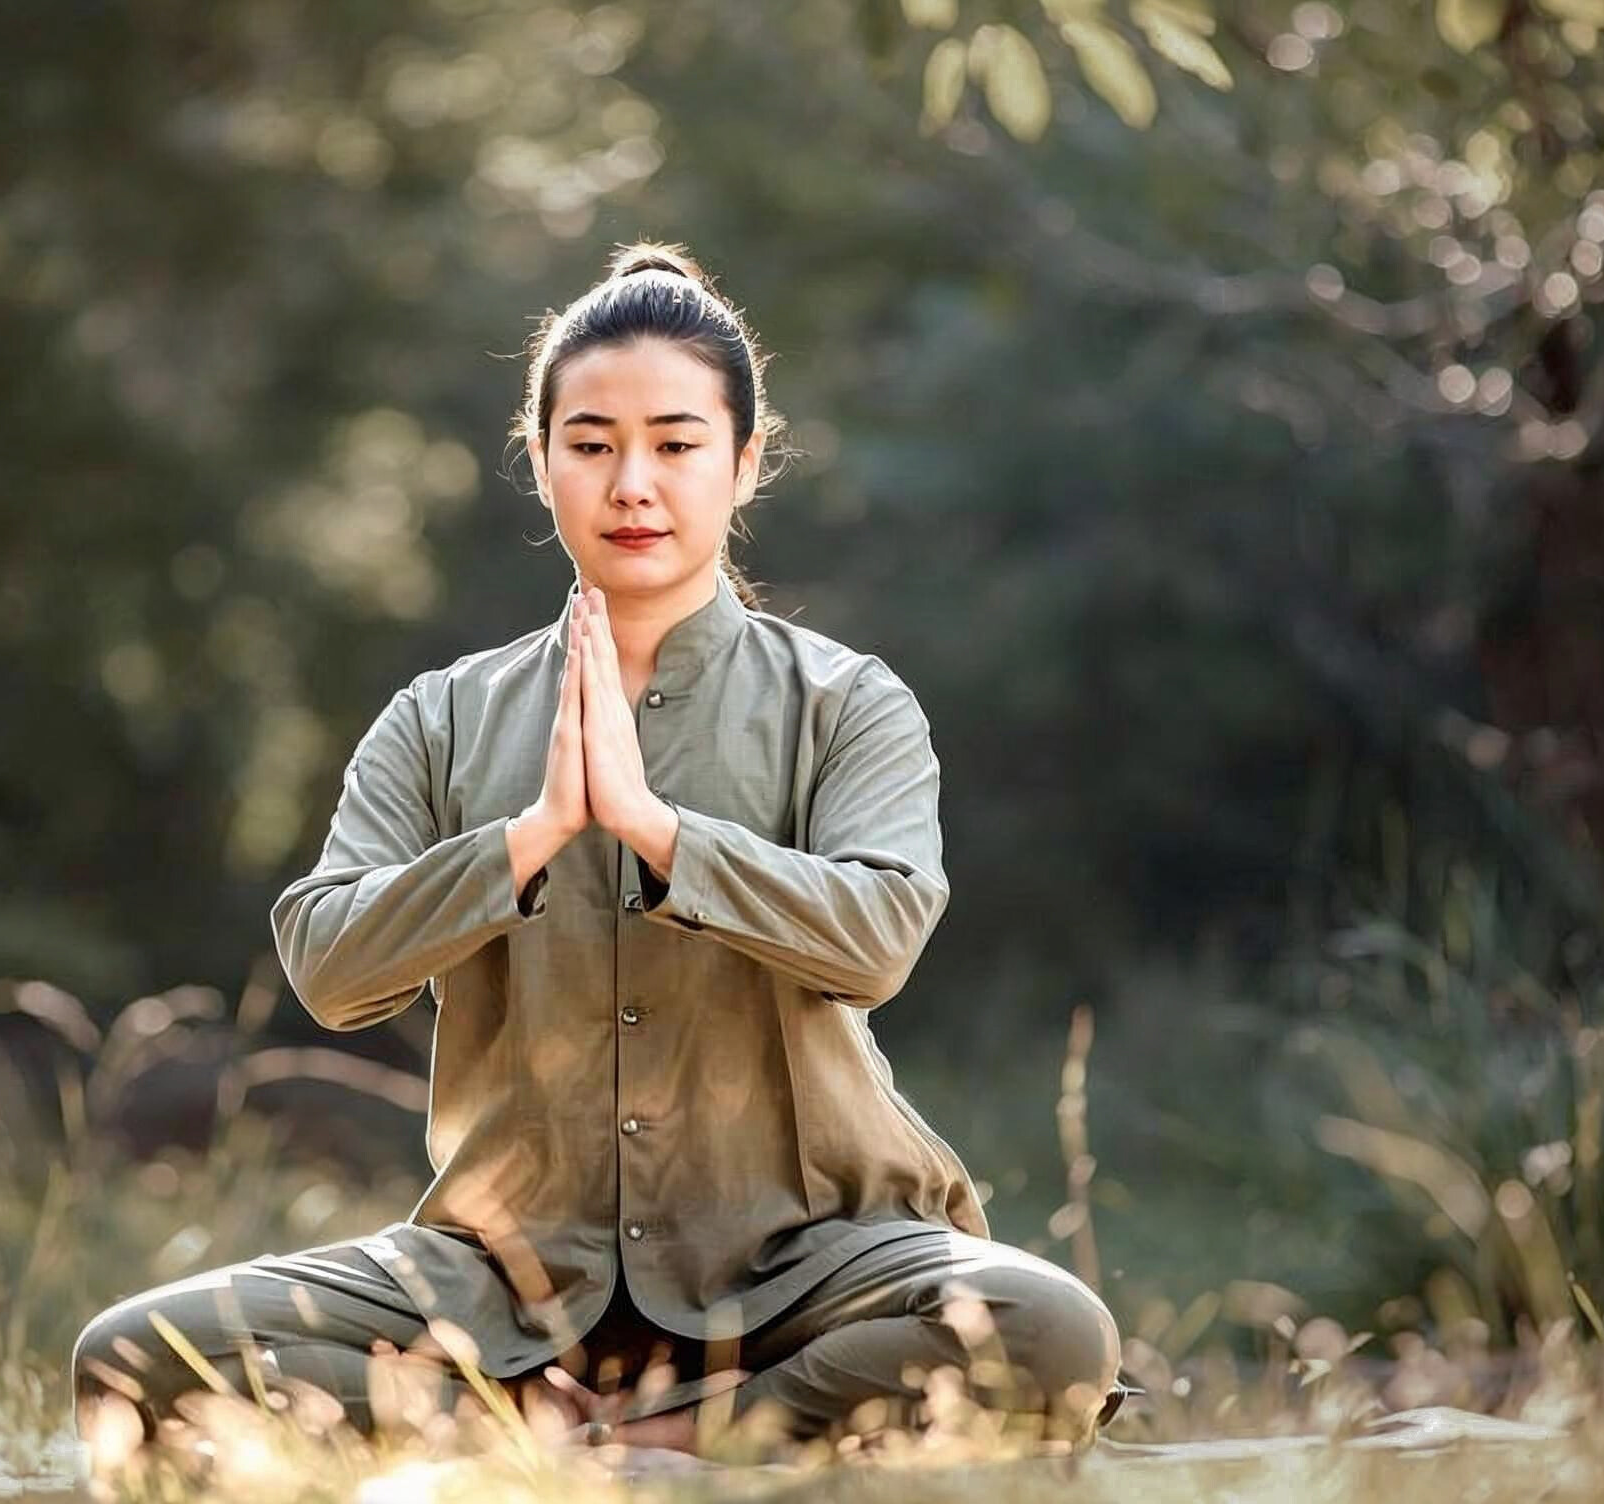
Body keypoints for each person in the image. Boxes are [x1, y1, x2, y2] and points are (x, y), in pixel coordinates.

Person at [72, 241, 1124, 1477]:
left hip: (806, 1253)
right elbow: (327, 964)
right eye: (592, 443)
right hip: (508, 1280)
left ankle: (685, 1436)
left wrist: (657, 829)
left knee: (1053, 1330)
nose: (635, 482)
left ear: (743, 460)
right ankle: (549, 1434)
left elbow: (879, 939)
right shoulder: (442, 717)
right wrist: (526, 839)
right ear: (540, 460)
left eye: (677, 444)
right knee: (128, 1356)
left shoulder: (847, 701)